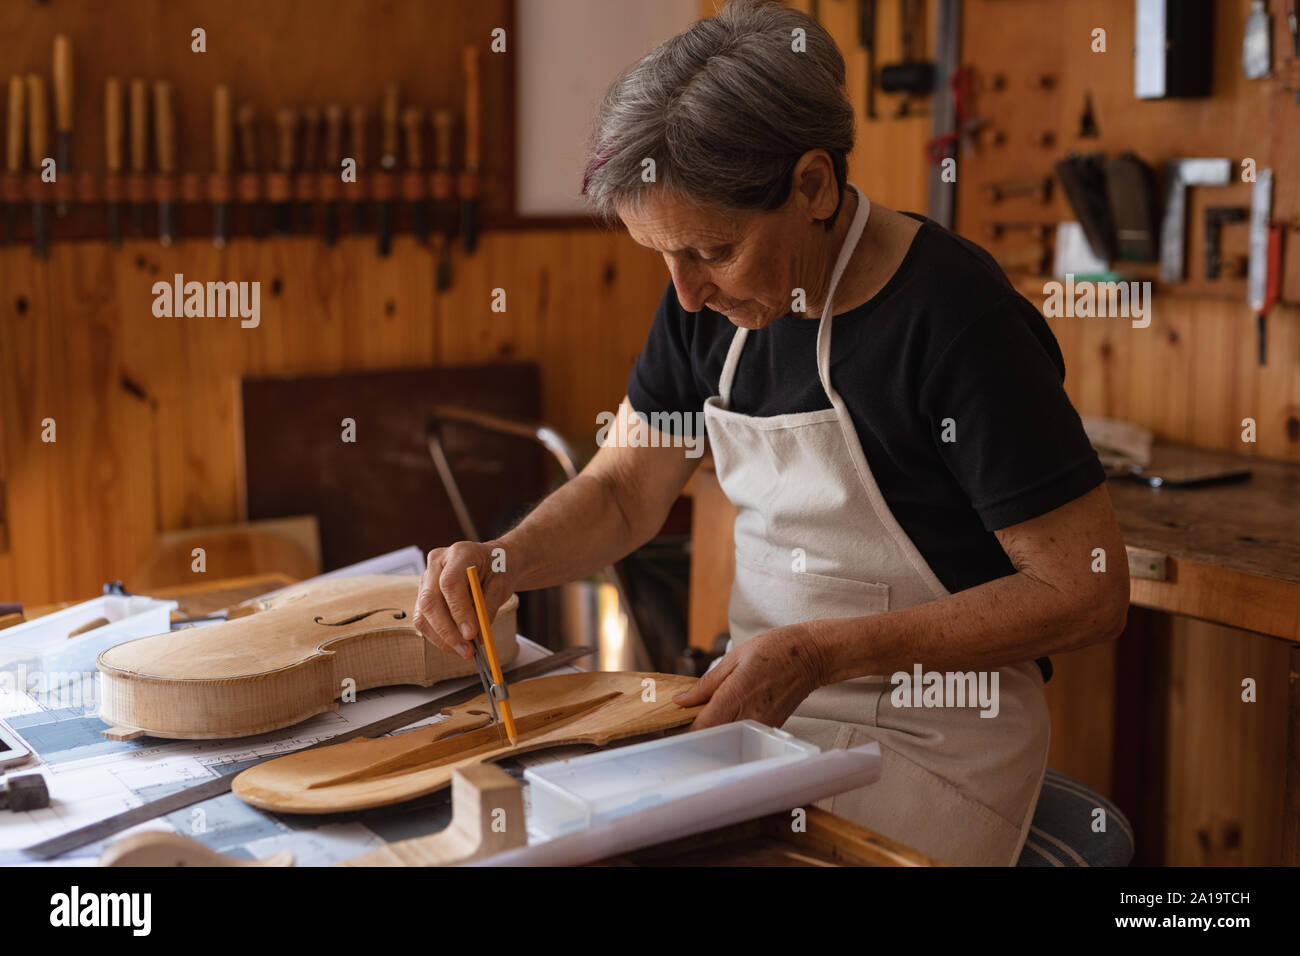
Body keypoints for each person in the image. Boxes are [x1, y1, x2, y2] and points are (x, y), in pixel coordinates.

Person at [413, 0, 1129, 866]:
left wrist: (824, 651)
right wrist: (506, 558)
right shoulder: (701, 307)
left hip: (937, 740)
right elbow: (621, 491)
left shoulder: (954, 319)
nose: (684, 293)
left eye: (712, 251)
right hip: (753, 709)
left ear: (815, 187)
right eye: (662, 257)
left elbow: (1085, 590)